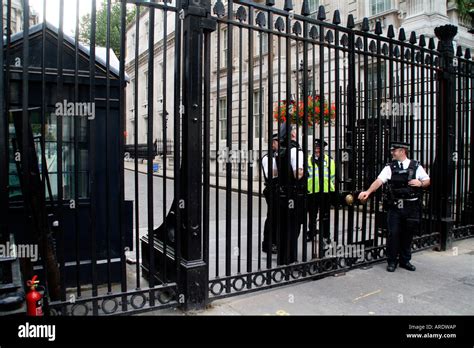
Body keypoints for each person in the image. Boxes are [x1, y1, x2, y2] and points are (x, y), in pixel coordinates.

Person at [358, 141, 430, 272]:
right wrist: (368, 191)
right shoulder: (389, 167)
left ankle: (405, 260)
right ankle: (392, 261)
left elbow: (427, 181)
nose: (392, 153)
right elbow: (379, 180)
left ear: (402, 151)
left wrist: (420, 183)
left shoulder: (416, 166)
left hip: (411, 205)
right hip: (395, 206)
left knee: (408, 234)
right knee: (393, 234)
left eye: (394, 150)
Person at [276, 123, 305, 265]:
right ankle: (291, 258)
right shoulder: (296, 151)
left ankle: (281, 258)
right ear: (292, 134)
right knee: (293, 226)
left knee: (282, 225)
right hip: (293, 193)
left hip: (281, 193)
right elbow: (298, 174)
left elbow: (276, 173)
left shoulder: (279, 151)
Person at [306, 139, 336, 246]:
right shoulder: (308, 159)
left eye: (319, 148)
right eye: (316, 148)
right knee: (312, 215)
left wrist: (332, 191)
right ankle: (311, 233)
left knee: (325, 215)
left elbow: (333, 177)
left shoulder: (330, 160)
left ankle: (325, 235)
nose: (317, 150)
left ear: (323, 149)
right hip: (312, 191)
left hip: (325, 192)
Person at [261, 133, 279, 254]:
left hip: (278, 190)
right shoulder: (268, 158)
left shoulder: (279, 155)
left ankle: (276, 242)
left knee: (278, 217)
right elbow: (270, 174)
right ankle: (268, 244)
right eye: (277, 141)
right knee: (272, 217)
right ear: (273, 143)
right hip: (271, 189)